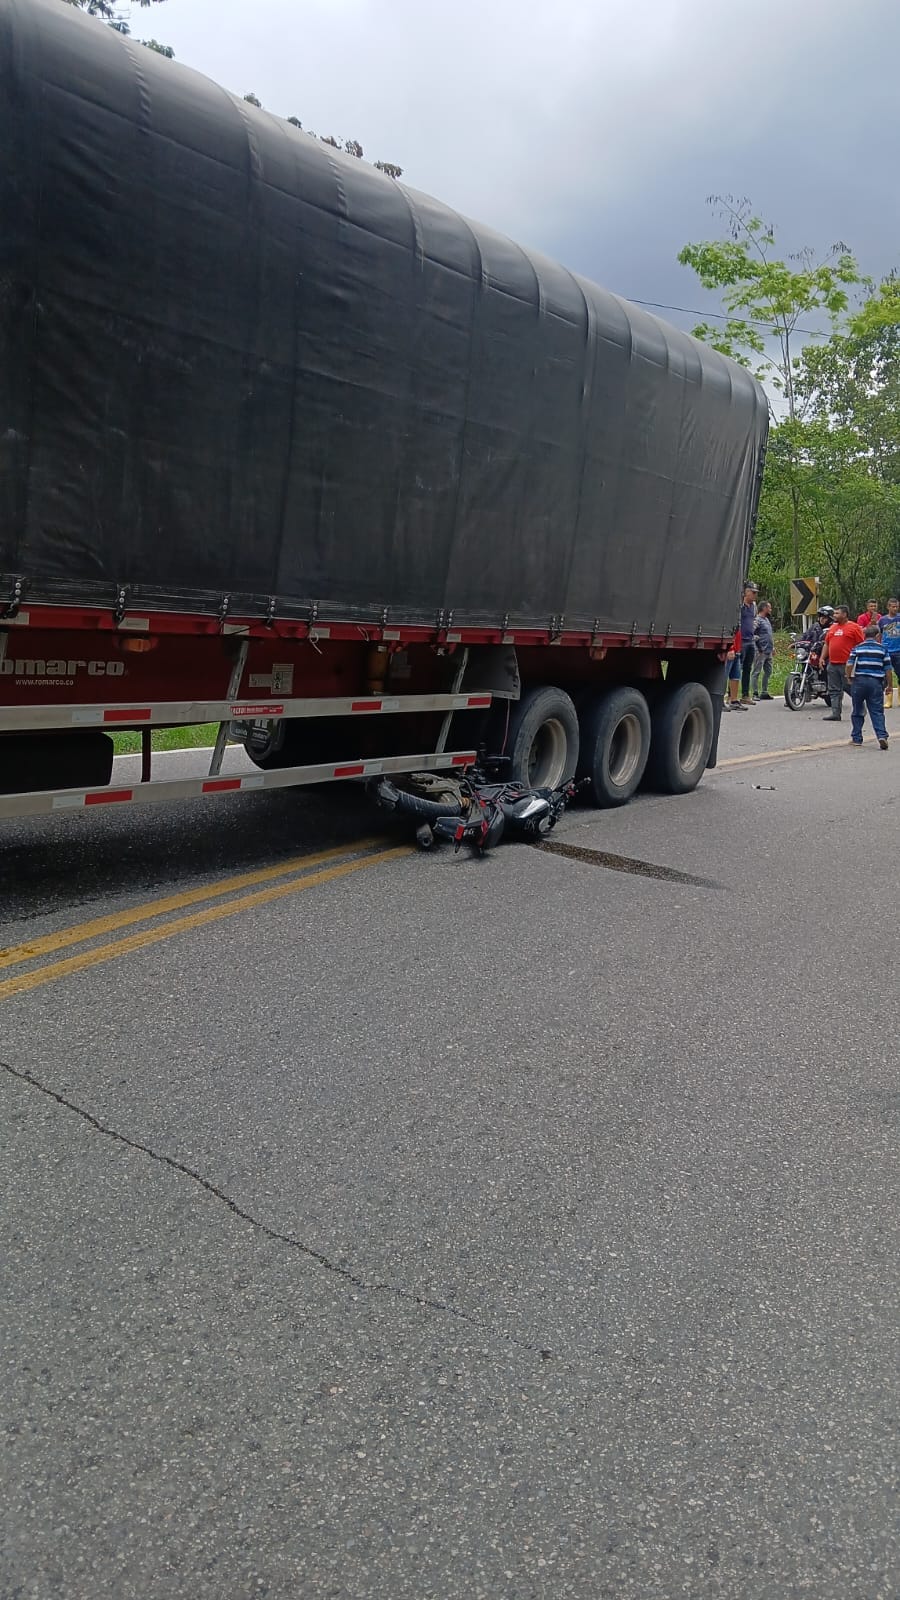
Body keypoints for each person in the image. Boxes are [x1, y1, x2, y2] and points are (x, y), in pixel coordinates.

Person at [847, 625, 890, 749]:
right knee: (877, 711)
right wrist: (889, 685)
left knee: (857, 710)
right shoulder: (882, 649)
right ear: (877, 636)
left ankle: (857, 738)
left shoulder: (857, 648)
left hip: (859, 682)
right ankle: (881, 735)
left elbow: (849, 664)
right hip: (875, 683)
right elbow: (887, 669)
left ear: (865, 636)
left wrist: (849, 676)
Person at [819, 605, 864, 721]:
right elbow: (827, 644)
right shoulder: (832, 628)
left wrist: (859, 660)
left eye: (837, 613)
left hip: (847, 664)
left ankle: (860, 708)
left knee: (849, 687)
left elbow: (860, 644)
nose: (834, 615)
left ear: (844, 614)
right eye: (834, 613)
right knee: (834, 690)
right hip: (833, 664)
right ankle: (835, 713)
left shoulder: (854, 627)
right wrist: (822, 658)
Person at [750, 601, 775, 699]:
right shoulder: (757, 620)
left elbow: (769, 635)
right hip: (760, 650)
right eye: (769, 608)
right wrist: (758, 644)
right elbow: (751, 632)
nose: (770, 610)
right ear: (764, 608)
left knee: (768, 671)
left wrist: (773, 647)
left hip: (768, 650)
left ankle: (764, 691)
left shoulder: (767, 620)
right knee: (756, 671)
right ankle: (755, 693)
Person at [878, 598, 900, 708]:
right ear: (888, 607)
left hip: (898, 650)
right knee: (887, 675)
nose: (895, 608)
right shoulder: (882, 620)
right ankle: (888, 699)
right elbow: (879, 634)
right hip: (886, 650)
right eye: (893, 606)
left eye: (897, 606)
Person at [739, 582, 758, 705]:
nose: (755, 595)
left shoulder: (754, 606)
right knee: (736, 667)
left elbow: (754, 619)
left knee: (747, 668)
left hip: (750, 640)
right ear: (746, 592)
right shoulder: (740, 606)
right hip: (741, 641)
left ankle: (745, 694)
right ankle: (731, 694)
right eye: (753, 592)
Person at [722, 626, 746, 710]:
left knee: (736, 677)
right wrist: (730, 648)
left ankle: (734, 700)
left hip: (737, 650)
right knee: (724, 676)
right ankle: (720, 701)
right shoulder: (732, 618)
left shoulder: (738, 618)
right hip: (731, 650)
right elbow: (730, 632)